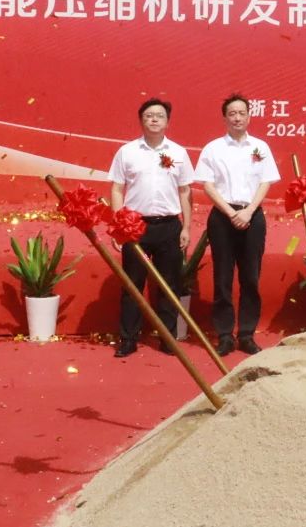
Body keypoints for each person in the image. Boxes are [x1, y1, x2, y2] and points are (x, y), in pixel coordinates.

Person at [108, 98, 194, 358]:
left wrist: (186, 227)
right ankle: (128, 339)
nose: (154, 119)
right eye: (149, 116)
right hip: (135, 225)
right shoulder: (127, 152)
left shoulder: (178, 152)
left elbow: (185, 191)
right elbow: (117, 189)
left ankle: (168, 338)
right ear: (141, 120)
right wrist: (119, 226)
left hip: (169, 226)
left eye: (159, 116)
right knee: (132, 284)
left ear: (167, 122)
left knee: (169, 285)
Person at [195, 94, 280, 356]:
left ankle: (246, 334)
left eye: (242, 113)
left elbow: (266, 181)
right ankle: (224, 335)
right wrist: (232, 212)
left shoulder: (260, 147)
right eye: (232, 113)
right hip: (223, 216)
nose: (237, 118)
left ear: (249, 116)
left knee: (250, 277)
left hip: (252, 215)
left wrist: (249, 211)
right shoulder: (213, 148)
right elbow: (207, 184)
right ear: (225, 118)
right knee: (222, 278)